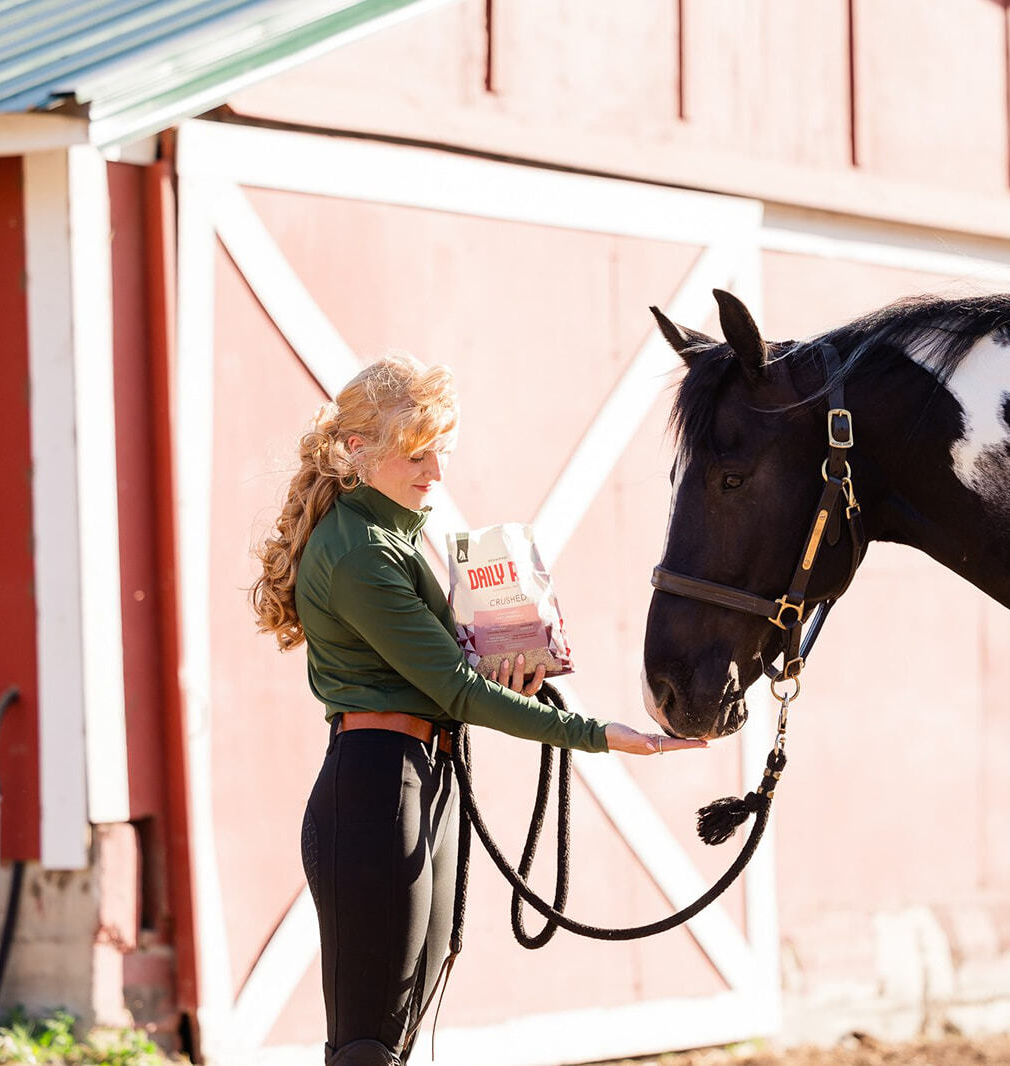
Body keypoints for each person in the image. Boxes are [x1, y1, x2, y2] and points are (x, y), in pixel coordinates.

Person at [250, 353, 705, 1066]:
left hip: (416, 777)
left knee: (399, 1032)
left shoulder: (390, 535)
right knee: (369, 1044)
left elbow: (445, 681)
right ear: (357, 449)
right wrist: (600, 736)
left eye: (442, 452)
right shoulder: (363, 551)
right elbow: (456, 691)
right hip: (376, 788)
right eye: (417, 453)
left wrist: (500, 673)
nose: (436, 472)